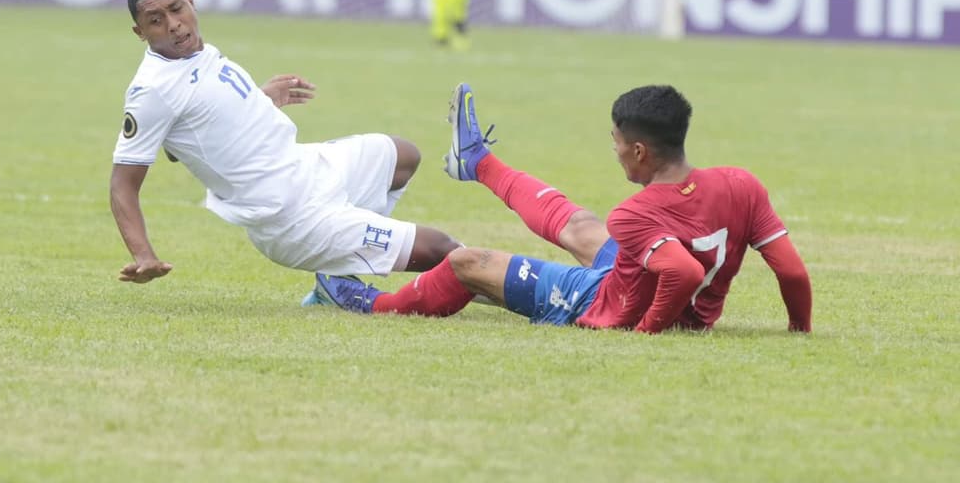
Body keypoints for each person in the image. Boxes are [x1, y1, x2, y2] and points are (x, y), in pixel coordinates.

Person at [311, 83, 813, 334]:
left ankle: (367, 302)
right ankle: (478, 162)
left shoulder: (636, 214)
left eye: (616, 141)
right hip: (653, 289)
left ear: (639, 150)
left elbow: (681, 271)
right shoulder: (740, 183)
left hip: (599, 302)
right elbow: (790, 270)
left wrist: (644, 332)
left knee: (467, 262)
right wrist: (799, 329)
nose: (614, 149)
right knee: (581, 226)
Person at [109, 0, 462, 287]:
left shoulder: (193, 52)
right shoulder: (151, 91)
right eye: (156, 21)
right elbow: (123, 184)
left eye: (176, 9)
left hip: (306, 168)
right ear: (140, 33)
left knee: (402, 156)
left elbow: (196, 127)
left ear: (191, 1)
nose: (173, 24)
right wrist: (144, 255)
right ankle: (493, 277)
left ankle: (338, 277)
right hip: (291, 217)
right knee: (442, 250)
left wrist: (259, 99)